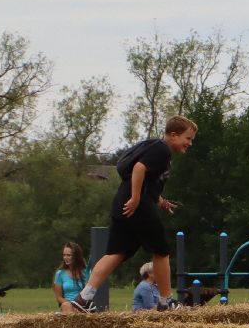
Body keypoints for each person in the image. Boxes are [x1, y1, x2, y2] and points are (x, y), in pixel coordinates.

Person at [74, 116, 197, 313]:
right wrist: (136, 198)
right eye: (188, 138)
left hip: (122, 201)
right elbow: (139, 169)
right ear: (173, 135)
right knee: (161, 250)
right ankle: (166, 302)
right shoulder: (162, 149)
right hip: (136, 205)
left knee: (115, 252)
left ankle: (83, 298)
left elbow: (148, 183)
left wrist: (161, 202)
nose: (190, 143)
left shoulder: (156, 149)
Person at [53, 241, 87, 313]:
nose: (65, 257)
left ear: (76, 256)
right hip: (67, 305)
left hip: (83, 306)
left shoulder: (85, 272)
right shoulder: (60, 274)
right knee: (66, 305)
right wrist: (71, 305)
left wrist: (78, 305)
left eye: (69, 255)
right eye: (64, 255)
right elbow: (59, 297)